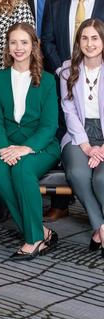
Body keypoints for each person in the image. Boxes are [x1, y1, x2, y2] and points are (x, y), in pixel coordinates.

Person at [0, 22, 60, 260]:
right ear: (7, 47)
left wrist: (25, 148)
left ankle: (34, 239)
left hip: (40, 146)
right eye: (14, 43)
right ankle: (41, 230)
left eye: (24, 42)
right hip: (5, 143)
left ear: (34, 46)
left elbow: (50, 125)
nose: (19, 48)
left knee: (21, 169)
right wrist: (5, 146)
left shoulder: (47, 80)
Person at [41, 0, 104, 221]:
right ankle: (65, 207)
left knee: (99, 178)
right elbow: (47, 40)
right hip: (67, 82)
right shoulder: (57, 3)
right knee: (73, 160)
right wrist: (62, 69)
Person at [60, 19, 104, 257]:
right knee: (77, 172)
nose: (90, 43)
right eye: (84, 38)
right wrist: (87, 147)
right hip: (78, 133)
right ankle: (101, 227)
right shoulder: (68, 70)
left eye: (95, 38)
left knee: (101, 178)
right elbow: (69, 111)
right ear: (78, 42)